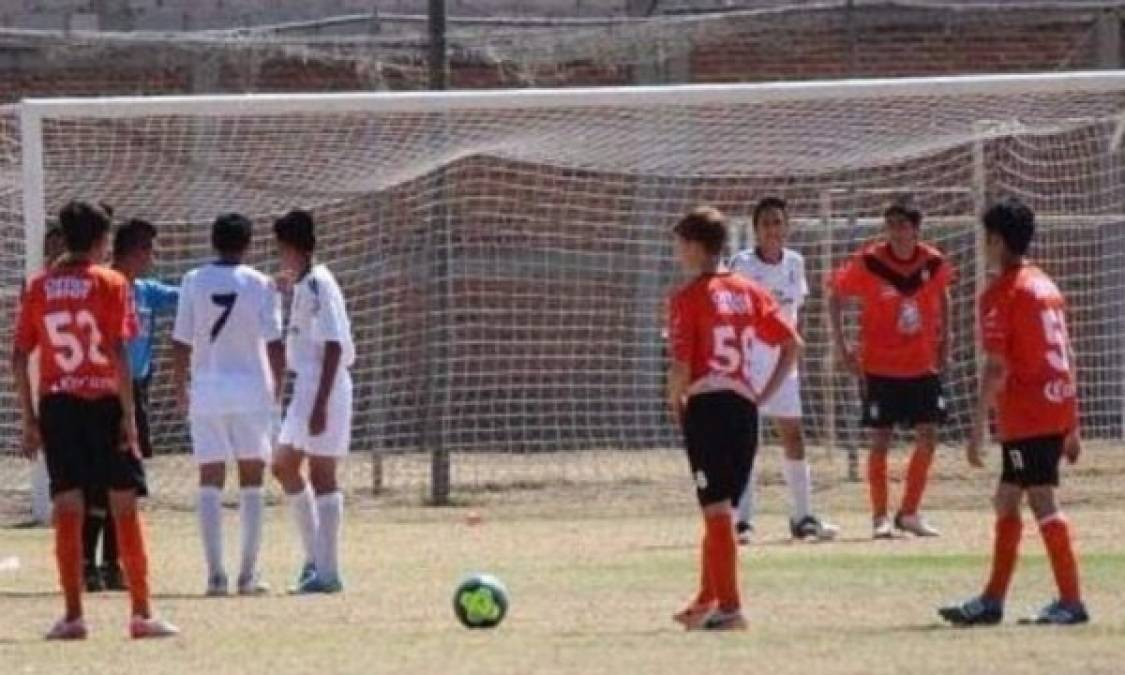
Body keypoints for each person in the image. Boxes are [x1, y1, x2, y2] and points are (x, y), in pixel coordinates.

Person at [12, 200, 178, 639]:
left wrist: (29, 419)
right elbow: (119, 351)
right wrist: (128, 415)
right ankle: (141, 613)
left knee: (68, 503)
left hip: (59, 405)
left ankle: (73, 616)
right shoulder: (111, 283)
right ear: (103, 240)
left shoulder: (37, 287)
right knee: (123, 502)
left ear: (64, 239)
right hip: (104, 401)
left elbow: (18, 355)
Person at [939, 198, 1088, 626]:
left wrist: (975, 428)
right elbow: (1069, 355)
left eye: (986, 239)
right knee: (1007, 498)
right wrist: (1072, 423)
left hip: (1027, 413)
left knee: (1039, 499)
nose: (985, 246)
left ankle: (1071, 601)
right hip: (1054, 406)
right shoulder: (1046, 285)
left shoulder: (1002, 293)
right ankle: (992, 601)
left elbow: (996, 366)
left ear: (997, 241)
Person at [666, 206, 803, 631]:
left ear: (692, 246)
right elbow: (792, 344)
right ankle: (707, 599)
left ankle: (731, 607)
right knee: (722, 509)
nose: (676, 253)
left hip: (707, 408)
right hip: (744, 408)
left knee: (716, 510)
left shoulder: (687, 298)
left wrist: (676, 404)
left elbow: (681, 369)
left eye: (678, 244)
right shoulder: (749, 290)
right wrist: (762, 393)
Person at [172, 213, 284, 596]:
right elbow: (274, 341)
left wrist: (179, 385)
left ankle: (215, 575)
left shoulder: (193, 280)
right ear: (248, 244)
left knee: (210, 479)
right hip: (251, 388)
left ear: (213, 241)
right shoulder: (260, 283)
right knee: (252, 480)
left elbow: (180, 340)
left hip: (207, 388)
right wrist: (278, 386)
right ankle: (248, 575)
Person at [828, 200, 954, 538]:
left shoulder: (933, 261)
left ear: (916, 229)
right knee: (880, 439)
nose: (896, 231)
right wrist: (842, 348)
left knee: (928, 437)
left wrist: (946, 340)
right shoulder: (869, 261)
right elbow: (835, 296)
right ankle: (880, 517)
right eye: (891, 225)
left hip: (922, 364)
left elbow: (943, 295)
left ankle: (909, 512)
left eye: (902, 224)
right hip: (880, 366)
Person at [729, 197, 838, 543]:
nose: (773, 230)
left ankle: (803, 515)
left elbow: (794, 313)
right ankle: (742, 520)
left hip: (784, 361)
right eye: (766, 224)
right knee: (746, 439)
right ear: (756, 230)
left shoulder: (795, 262)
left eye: (778, 222)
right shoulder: (741, 264)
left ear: (786, 227)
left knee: (794, 435)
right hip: (749, 362)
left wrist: (792, 351)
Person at [83, 218, 178, 592]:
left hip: (135, 391)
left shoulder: (147, 292)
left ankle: (111, 564)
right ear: (134, 251)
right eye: (149, 249)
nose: (153, 257)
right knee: (98, 484)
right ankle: (86, 565)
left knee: (123, 483)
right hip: (101, 391)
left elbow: (190, 294)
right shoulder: (101, 285)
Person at [270, 210, 355, 594]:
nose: (279, 256)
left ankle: (329, 572)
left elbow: (335, 345)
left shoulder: (320, 282)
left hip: (326, 385)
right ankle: (315, 559)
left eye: (280, 249)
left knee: (322, 474)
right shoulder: (305, 283)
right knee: (284, 465)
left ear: (291, 247)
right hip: (308, 386)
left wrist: (321, 403)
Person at [25, 224, 66, 527]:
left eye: (60, 246)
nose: (54, 253)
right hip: (44, 378)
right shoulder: (36, 286)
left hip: (75, 384)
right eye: (50, 247)